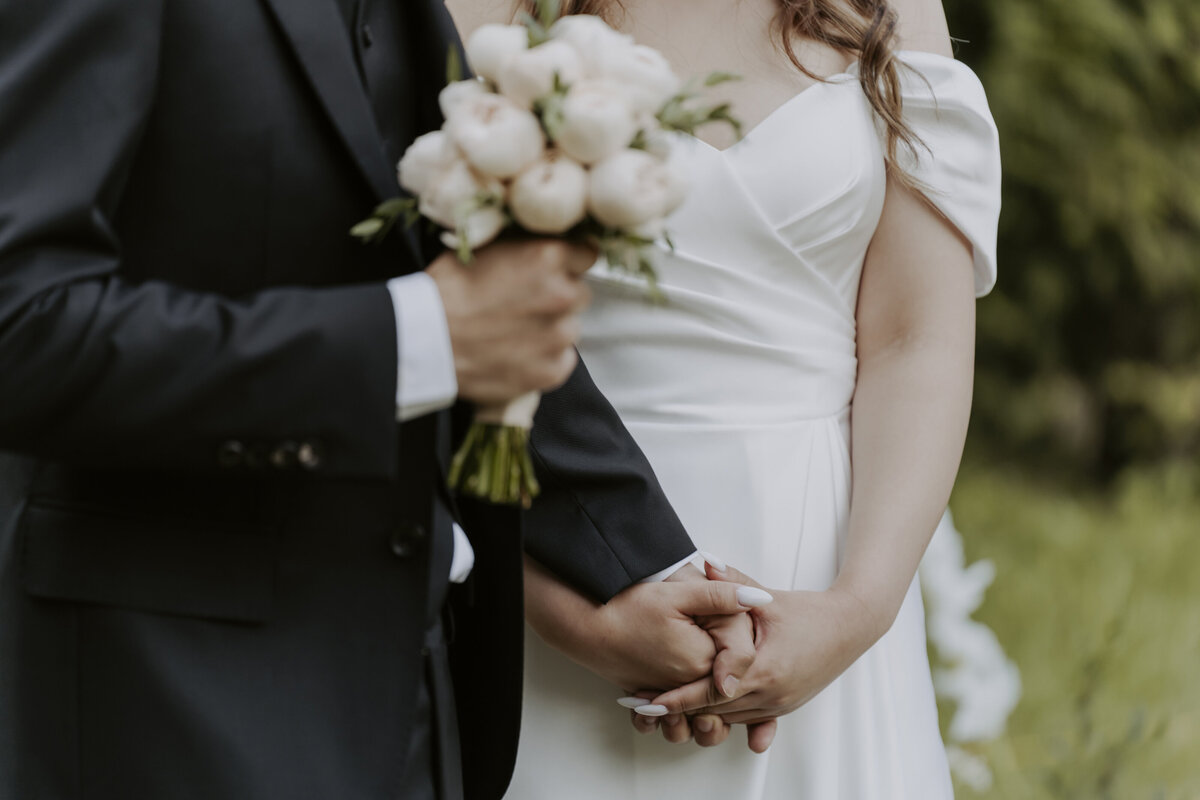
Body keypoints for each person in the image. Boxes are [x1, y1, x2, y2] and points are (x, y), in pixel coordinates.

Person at [0, 1, 762, 798]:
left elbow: (471, 283)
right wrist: (414, 340)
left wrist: (657, 568)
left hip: (417, 694)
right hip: (170, 704)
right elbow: (18, 325)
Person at [446, 0, 1002, 796]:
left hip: (824, 584)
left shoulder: (890, 8)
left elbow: (917, 341)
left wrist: (856, 612)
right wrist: (570, 617)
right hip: (555, 565)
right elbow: (441, 341)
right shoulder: (484, 10)